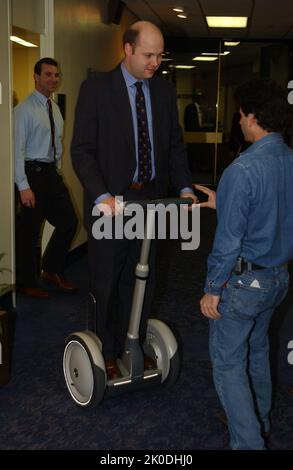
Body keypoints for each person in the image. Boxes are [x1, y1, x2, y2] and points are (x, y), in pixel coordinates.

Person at [71, 21, 197, 380]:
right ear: (127, 49)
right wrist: (101, 195)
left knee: (142, 277)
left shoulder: (163, 92)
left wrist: (185, 188)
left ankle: (134, 342)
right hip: (111, 205)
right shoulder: (96, 89)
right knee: (108, 280)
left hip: (150, 201)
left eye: (159, 55)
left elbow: (173, 146)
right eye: (148, 54)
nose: (155, 62)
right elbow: (82, 151)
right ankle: (106, 349)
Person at [199, 79, 293, 450]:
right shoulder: (288, 160)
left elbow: (227, 243)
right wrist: (225, 202)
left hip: (242, 285)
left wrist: (211, 289)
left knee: (227, 365)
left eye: (240, 115)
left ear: (253, 117)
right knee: (257, 350)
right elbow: (273, 214)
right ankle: (260, 421)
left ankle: (249, 442)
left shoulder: (242, 170)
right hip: (277, 280)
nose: (238, 122)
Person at [14, 57, 78, 299]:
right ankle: (26, 282)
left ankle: (51, 270)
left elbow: (56, 144)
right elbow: (16, 150)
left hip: (51, 173)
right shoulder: (23, 111)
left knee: (69, 221)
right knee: (30, 232)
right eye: (48, 74)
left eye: (56, 75)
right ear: (36, 77)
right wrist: (23, 186)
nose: (54, 79)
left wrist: (57, 169)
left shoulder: (54, 108)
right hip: (31, 174)